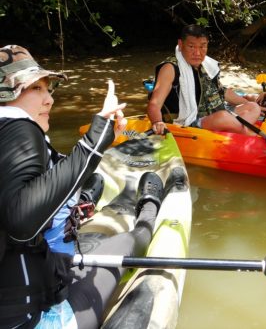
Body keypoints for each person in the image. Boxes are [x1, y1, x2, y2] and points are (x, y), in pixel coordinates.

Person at [0, 45, 164, 329]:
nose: (49, 99)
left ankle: (85, 199)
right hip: (30, 321)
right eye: (36, 88)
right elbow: (21, 221)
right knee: (125, 243)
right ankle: (149, 210)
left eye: (47, 88)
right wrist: (94, 139)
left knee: (87, 183)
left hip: (27, 274)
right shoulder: (19, 127)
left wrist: (102, 141)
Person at [147, 24, 261, 135]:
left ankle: (234, 129)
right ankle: (248, 134)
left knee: (253, 107)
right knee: (223, 117)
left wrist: (248, 103)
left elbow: (222, 92)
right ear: (180, 44)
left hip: (212, 114)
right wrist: (157, 121)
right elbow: (155, 103)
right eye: (191, 46)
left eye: (202, 46)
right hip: (189, 122)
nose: (197, 53)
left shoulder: (207, 65)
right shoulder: (170, 68)